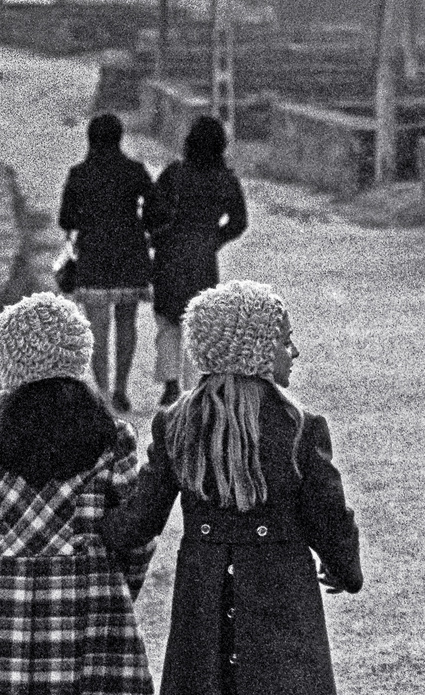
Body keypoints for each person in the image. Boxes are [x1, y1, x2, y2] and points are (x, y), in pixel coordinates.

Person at [102, 279, 363, 695]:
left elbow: (137, 523)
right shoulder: (299, 427)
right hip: (283, 609)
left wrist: (89, 510)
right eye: (285, 341)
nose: (293, 353)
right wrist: (346, 568)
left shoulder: (175, 424)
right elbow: (329, 517)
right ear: (256, 351)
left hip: (202, 607)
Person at [0, 292, 156, 695]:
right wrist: (119, 588)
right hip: (93, 609)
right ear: (78, 351)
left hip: (1, 612)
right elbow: (135, 536)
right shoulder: (113, 435)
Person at [58, 112, 156, 412]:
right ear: (119, 137)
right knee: (126, 323)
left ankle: (101, 391)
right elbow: (155, 210)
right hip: (129, 254)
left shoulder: (79, 174)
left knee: (97, 328)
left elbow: (66, 219)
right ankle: (122, 389)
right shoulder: (135, 170)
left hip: (94, 256)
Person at [148, 114, 248, 406]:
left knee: (168, 321)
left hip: (169, 254)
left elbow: (151, 213)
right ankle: (193, 388)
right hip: (203, 259)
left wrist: (160, 233)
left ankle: (169, 382)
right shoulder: (225, 180)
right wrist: (216, 238)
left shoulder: (174, 174)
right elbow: (239, 221)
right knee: (197, 323)